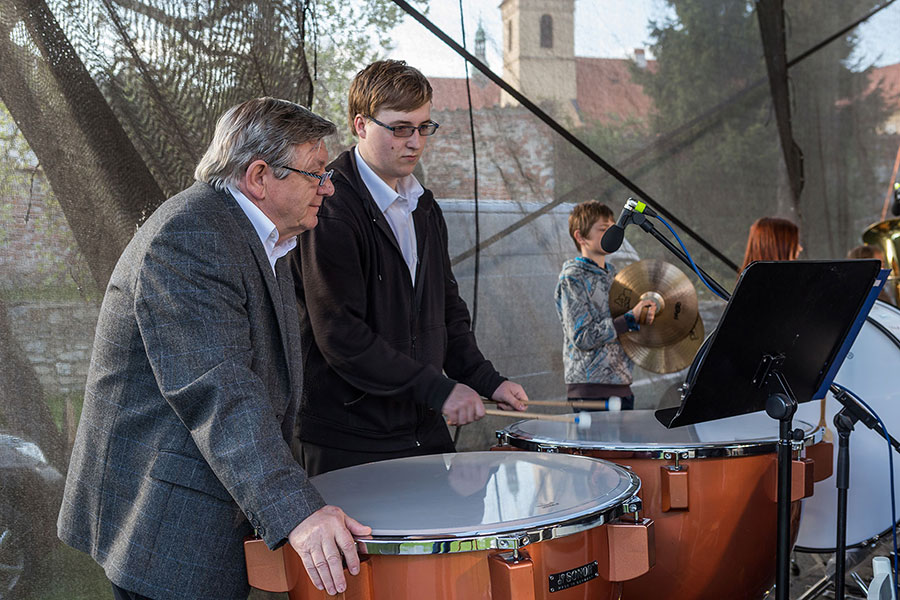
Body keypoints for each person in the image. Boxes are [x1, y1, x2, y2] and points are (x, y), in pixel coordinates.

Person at [58, 98, 369, 600]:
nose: (328, 187)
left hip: (198, 502)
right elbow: (219, 390)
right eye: (316, 174)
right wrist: (299, 512)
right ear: (259, 176)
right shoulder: (192, 237)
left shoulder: (252, 235)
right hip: (163, 519)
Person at [291, 60, 528, 476]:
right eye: (400, 128)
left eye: (424, 128)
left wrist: (486, 380)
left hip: (420, 426)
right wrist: (439, 389)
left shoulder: (424, 206)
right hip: (349, 438)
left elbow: (446, 311)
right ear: (360, 125)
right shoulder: (330, 208)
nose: (415, 142)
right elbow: (341, 336)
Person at [555, 200, 657, 410]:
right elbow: (582, 337)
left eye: (613, 229)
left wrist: (642, 317)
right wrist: (630, 319)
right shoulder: (572, 279)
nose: (611, 234)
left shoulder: (617, 276)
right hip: (590, 391)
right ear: (580, 236)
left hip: (622, 386)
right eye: (603, 230)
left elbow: (624, 327)